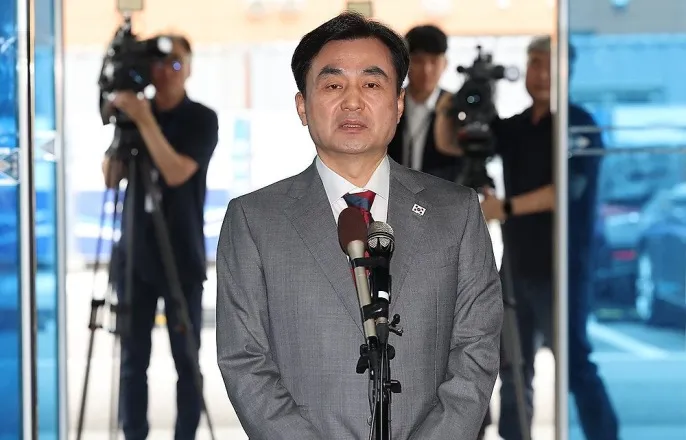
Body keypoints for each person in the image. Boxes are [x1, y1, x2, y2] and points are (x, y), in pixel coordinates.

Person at [216, 12, 503, 440]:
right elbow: (244, 360)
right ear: (302, 106)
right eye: (333, 85)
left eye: (371, 84)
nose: (352, 102)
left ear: (399, 103)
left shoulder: (456, 212)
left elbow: (477, 349)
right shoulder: (254, 221)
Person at [434, 35, 619, 440]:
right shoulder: (517, 126)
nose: (541, 74)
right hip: (517, 263)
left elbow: (564, 192)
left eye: (549, 65)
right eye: (534, 64)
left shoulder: (580, 124)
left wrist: (506, 207)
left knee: (574, 363)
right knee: (513, 365)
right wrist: (456, 99)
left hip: (562, 266)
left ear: (567, 71)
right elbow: (450, 142)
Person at [101, 34, 219, 440]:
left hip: (181, 256)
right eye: (158, 64)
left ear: (189, 68)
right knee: (133, 362)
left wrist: (144, 120)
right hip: (134, 256)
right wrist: (124, 120)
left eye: (175, 64)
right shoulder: (135, 114)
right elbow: (111, 178)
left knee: (186, 360)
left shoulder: (201, 119)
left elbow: (175, 172)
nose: (166, 72)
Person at [387, 24, 463, 181]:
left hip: (443, 192)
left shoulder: (456, 107)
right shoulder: (389, 103)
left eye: (434, 61)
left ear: (445, 64)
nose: (427, 69)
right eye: (418, 61)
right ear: (405, 64)